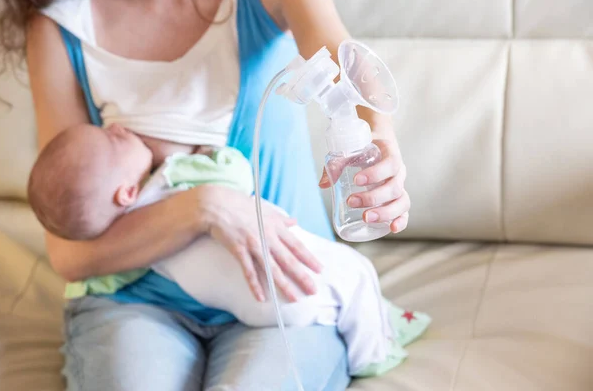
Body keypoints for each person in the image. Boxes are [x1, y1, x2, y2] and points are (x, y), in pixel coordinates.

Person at [0, 0, 412, 389]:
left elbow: (343, 60)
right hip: (135, 302)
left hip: (286, 291)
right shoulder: (59, 26)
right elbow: (70, 253)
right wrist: (204, 207)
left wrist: (381, 139)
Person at [26, 124, 430, 377]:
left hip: (254, 307)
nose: (116, 126)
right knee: (357, 274)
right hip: (283, 277)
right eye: (112, 138)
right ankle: (374, 353)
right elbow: (235, 172)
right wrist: (202, 152)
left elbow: (101, 274)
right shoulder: (175, 176)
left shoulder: (133, 243)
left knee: (330, 298)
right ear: (127, 191)